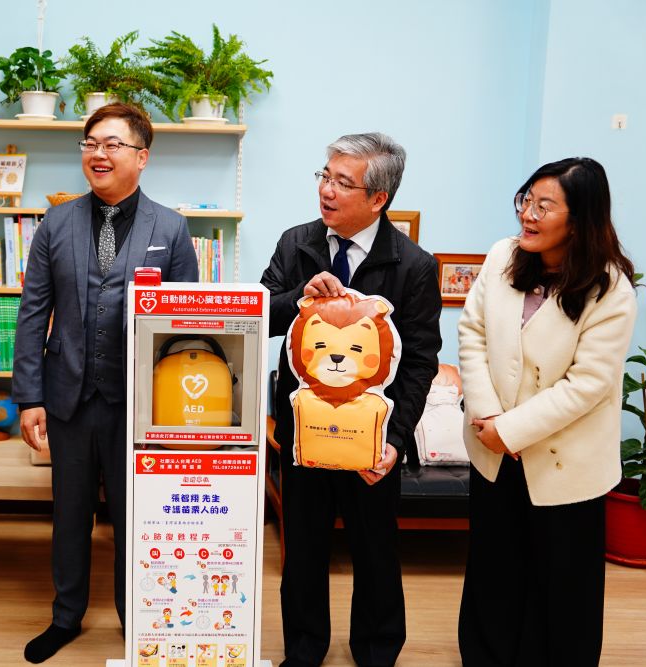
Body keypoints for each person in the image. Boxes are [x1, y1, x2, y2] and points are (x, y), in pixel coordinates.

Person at [13, 103, 199, 663]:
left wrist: (173, 409)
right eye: (91, 143)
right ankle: (65, 616)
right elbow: (32, 312)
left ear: (142, 157)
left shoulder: (171, 227)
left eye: (113, 144)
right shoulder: (56, 222)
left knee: (134, 517)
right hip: (67, 396)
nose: (98, 153)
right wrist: (30, 397)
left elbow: (187, 325)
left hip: (137, 403)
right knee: (69, 515)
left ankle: (135, 618)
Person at [261, 132, 442, 667]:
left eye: (343, 182)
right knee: (303, 552)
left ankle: (377, 650)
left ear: (378, 198)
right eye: (325, 176)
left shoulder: (413, 265)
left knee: (375, 551)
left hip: (372, 440)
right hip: (304, 432)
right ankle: (304, 649)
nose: (327, 190)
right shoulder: (296, 243)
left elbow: (420, 361)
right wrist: (297, 298)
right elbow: (260, 315)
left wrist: (396, 440)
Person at [457, 157, 636, 666]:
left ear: (578, 221)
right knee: (494, 570)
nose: (527, 214)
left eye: (544, 206)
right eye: (526, 200)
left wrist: (511, 430)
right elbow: (472, 332)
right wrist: (488, 418)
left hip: (565, 461)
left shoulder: (611, 289)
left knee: (562, 584)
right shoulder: (502, 256)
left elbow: (588, 384)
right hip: (493, 451)